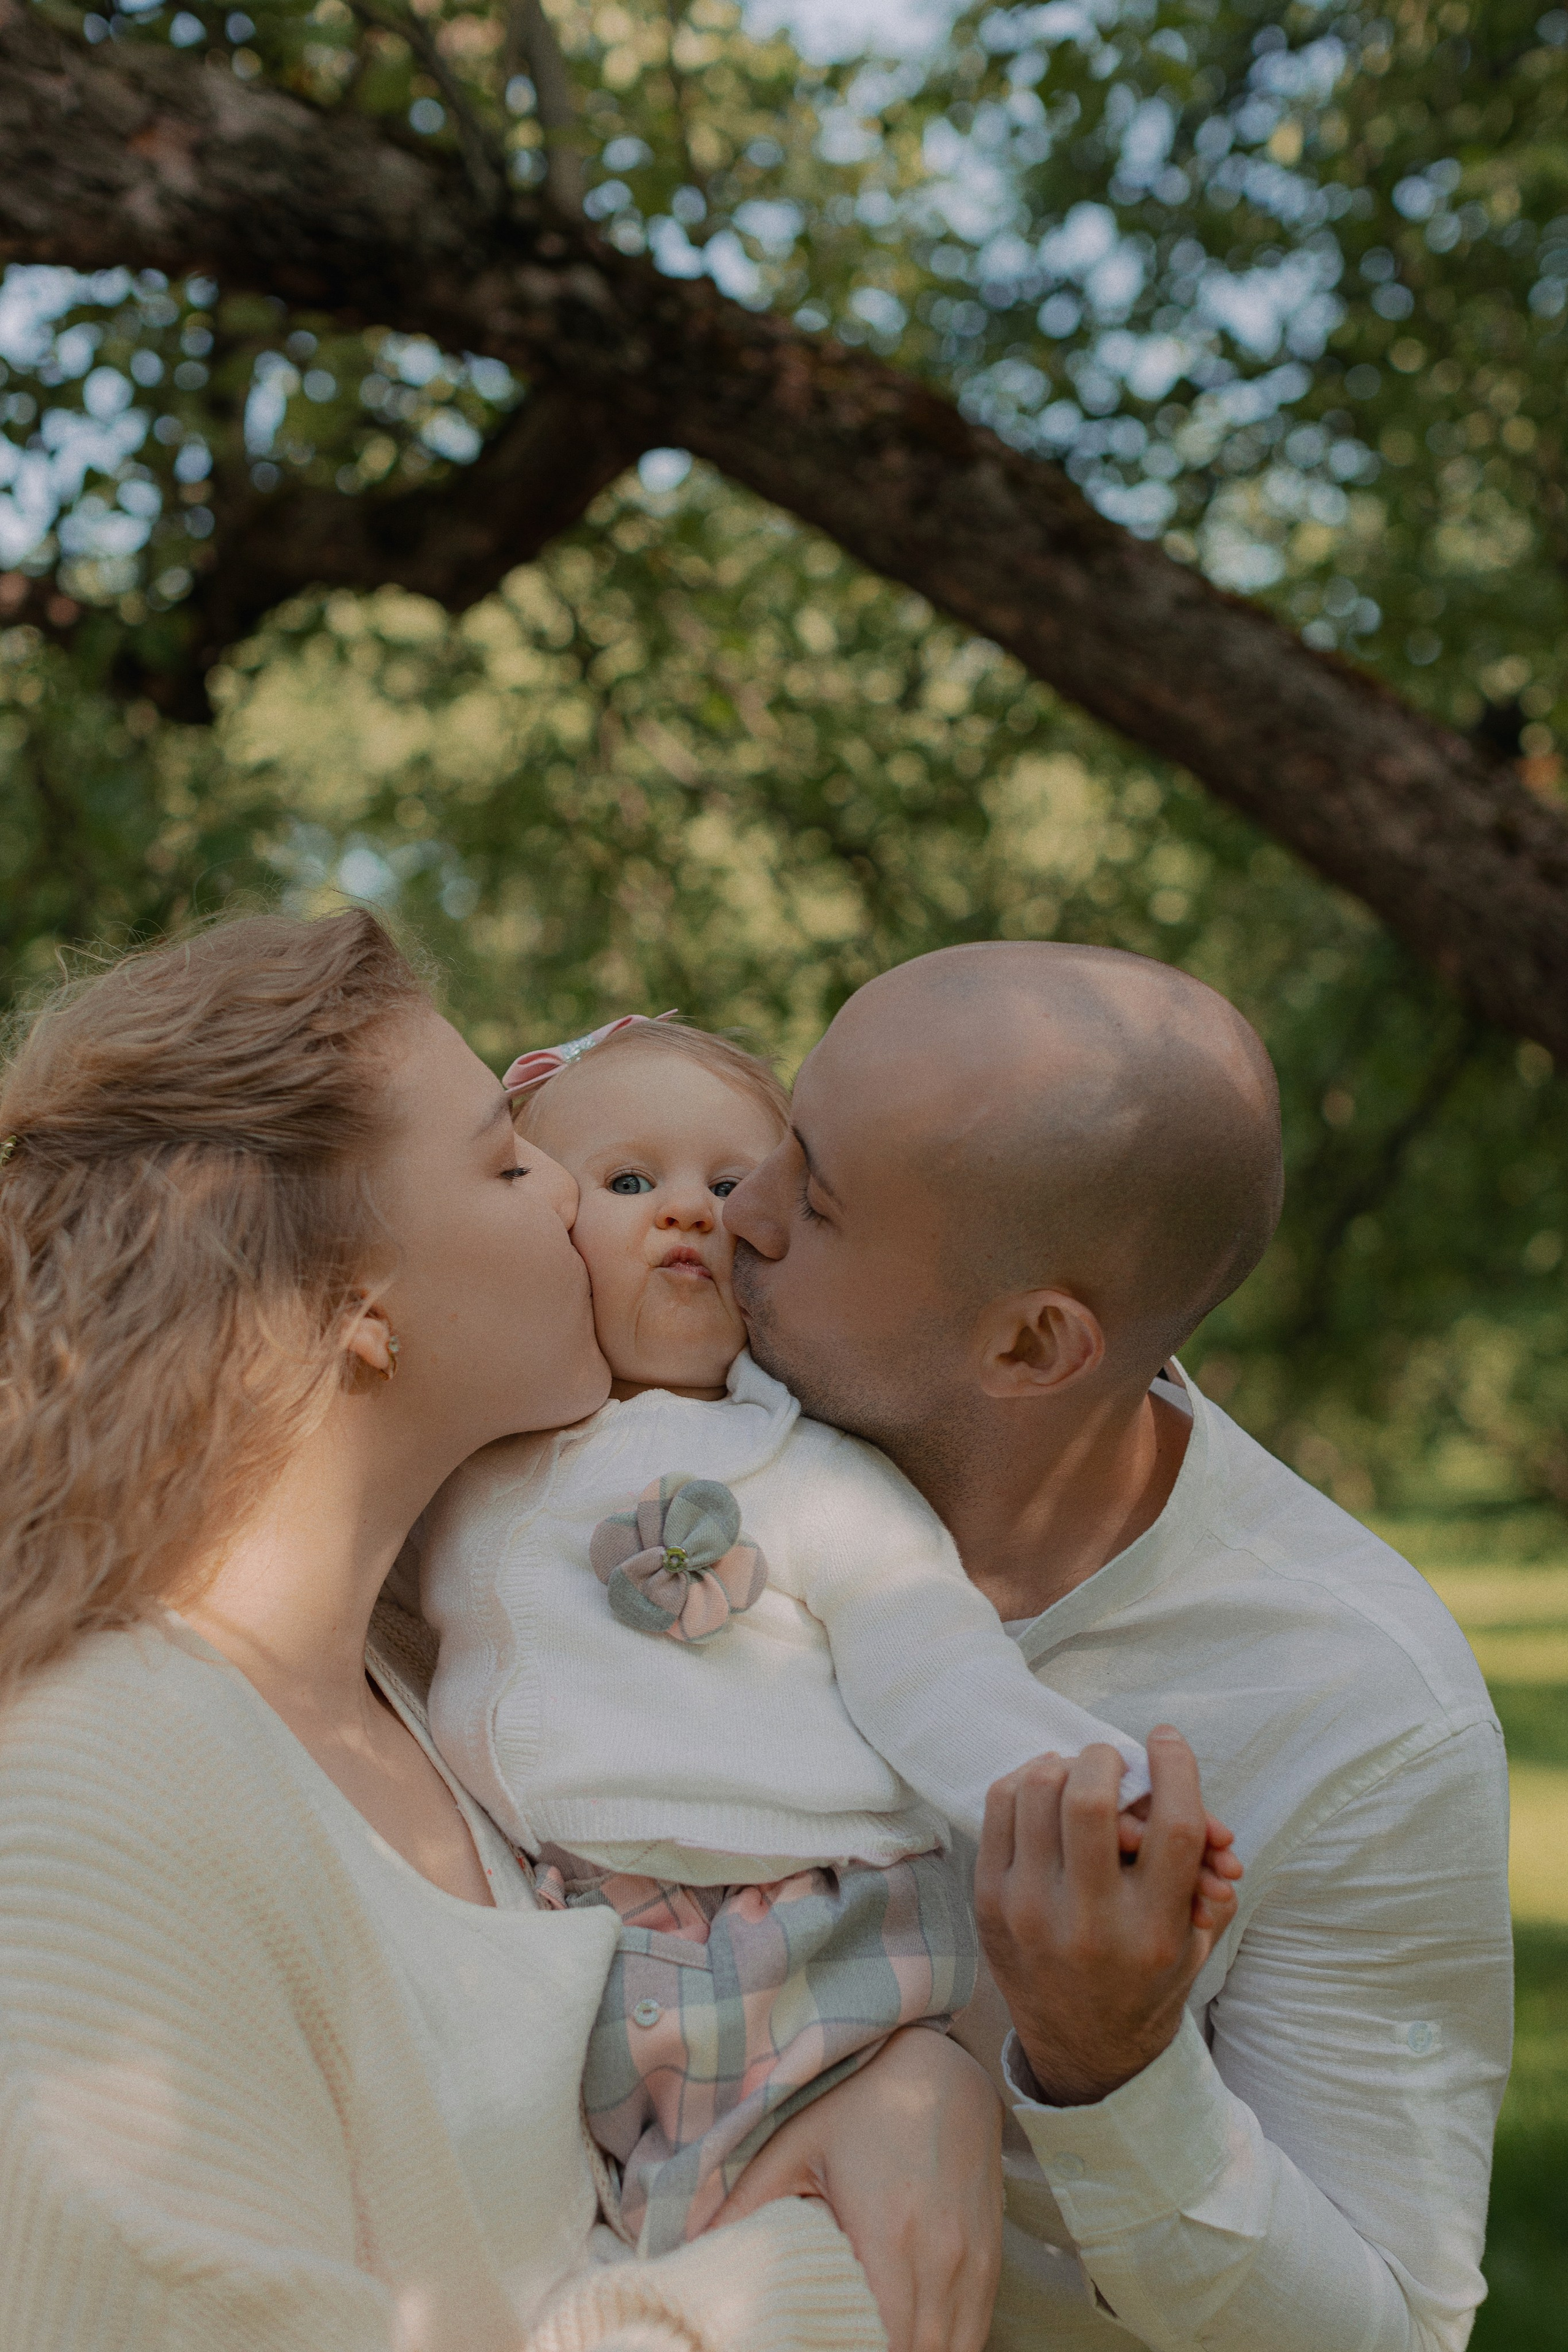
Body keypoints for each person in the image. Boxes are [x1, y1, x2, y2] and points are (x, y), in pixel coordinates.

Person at [0, 911, 1004, 2352]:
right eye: (502, 1160)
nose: (564, 1193)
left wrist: (916, 2081)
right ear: (348, 1302)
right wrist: (811, 2271)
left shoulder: (426, 1697)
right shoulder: (95, 1797)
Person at [722, 940, 1513, 2352]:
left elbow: (1385, 2336)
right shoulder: (647, 1422)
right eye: (783, 1133)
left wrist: (1113, 2069)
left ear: (1031, 1347)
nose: (739, 1206)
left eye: (817, 1203)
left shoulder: (1362, 1713)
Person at [412, 1016, 1240, 2258]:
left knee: (822, 2230)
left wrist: (1087, 1793)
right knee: (589, 2245)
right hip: (565, 1943)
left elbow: (932, 1663)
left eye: (730, 1183)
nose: (689, 1211)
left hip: (805, 1937)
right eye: (629, 1181)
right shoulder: (473, 1444)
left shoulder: (810, 1471)